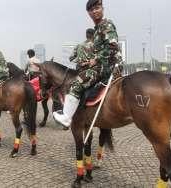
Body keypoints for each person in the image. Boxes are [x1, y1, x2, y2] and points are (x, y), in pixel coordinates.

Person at [53, 0, 123, 128]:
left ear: (102, 8)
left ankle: (67, 118)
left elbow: (112, 46)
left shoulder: (106, 24)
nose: (95, 11)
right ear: (88, 13)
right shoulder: (98, 29)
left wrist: (96, 59)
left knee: (77, 83)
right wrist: (90, 60)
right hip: (103, 64)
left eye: (97, 7)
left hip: (108, 66)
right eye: (92, 9)